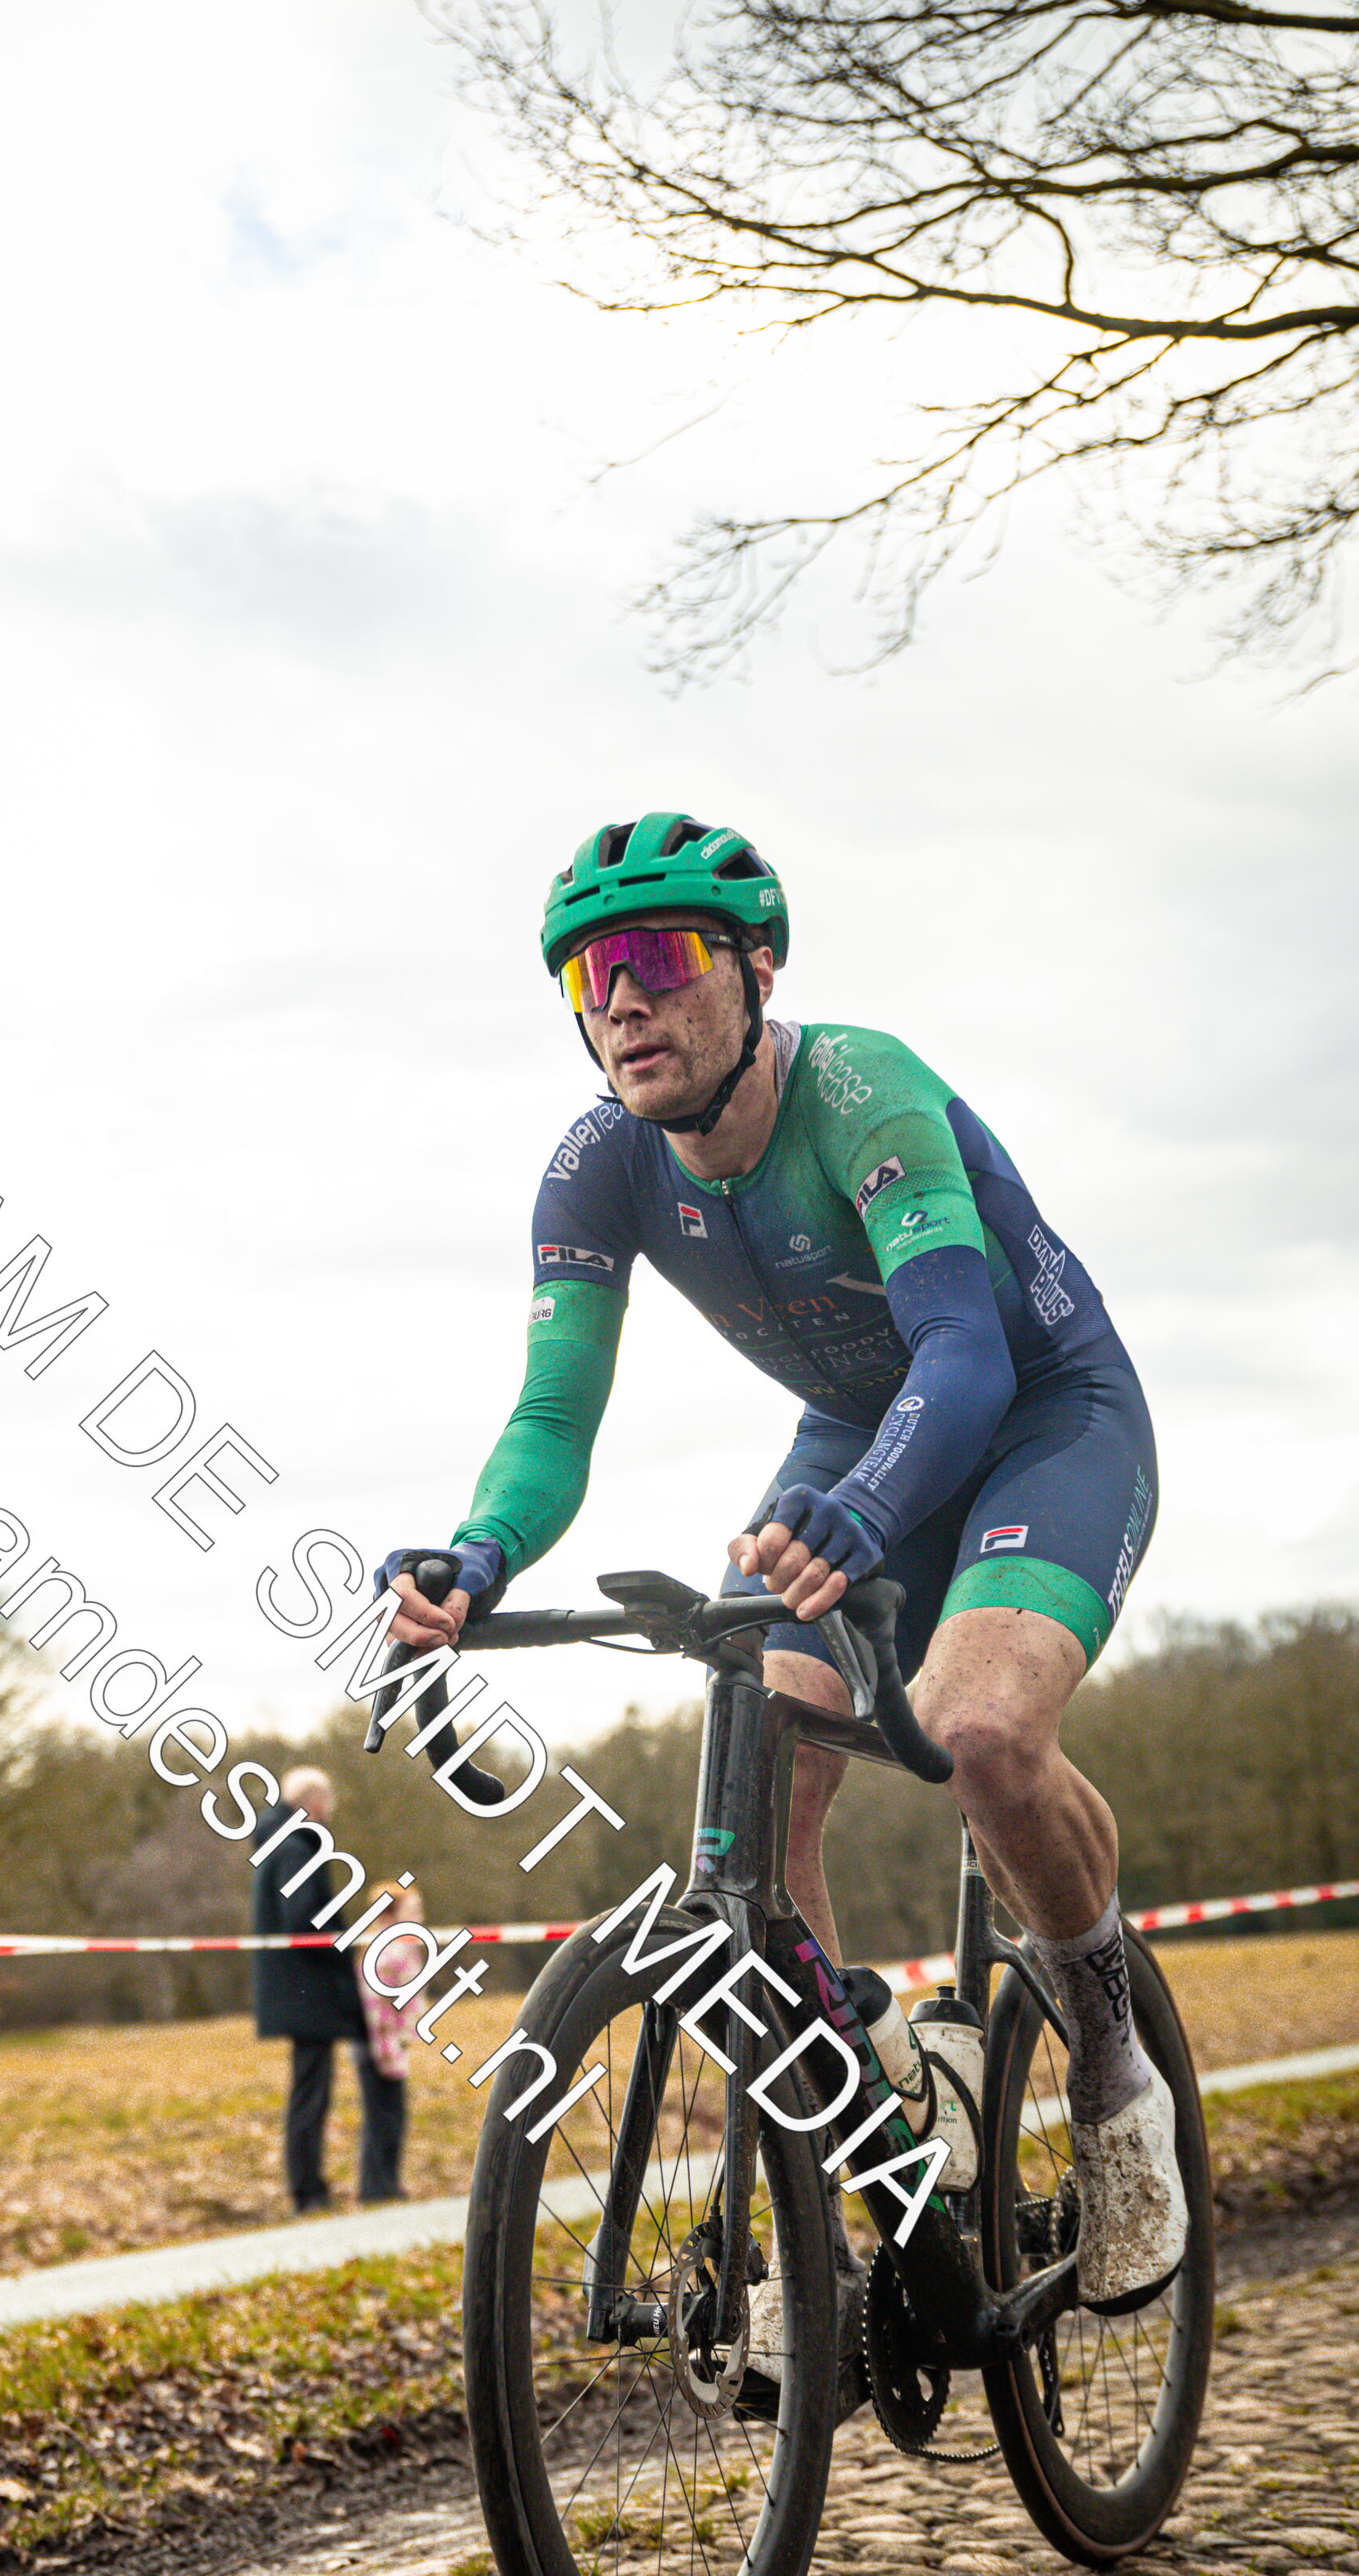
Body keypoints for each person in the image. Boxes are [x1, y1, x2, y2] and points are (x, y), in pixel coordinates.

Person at [378, 811, 1185, 2327]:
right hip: (857, 1436)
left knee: (977, 1733)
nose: (622, 997)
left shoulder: (863, 1091)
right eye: (589, 974)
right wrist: (476, 1556)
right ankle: (875, 2108)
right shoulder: (595, 1169)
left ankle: (1112, 2070)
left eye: (657, 955)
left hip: (1040, 1413)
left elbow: (960, 1352)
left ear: (755, 970)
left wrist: (864, 1511)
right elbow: (551, 1419)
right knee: (760, 1769)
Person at [248, 1767, 400, 2213]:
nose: (331, 1811)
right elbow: (304, 1920)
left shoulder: (282, 1844)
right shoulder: (296, 1849)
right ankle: (308, 2191)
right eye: (328, 1801)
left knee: (310, 2088)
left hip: (296, 1989)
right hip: (307, 1991)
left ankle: (311, 2186)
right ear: (313, 1801)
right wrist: (343, 1948)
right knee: (311, 2093)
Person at [352, 1882, 424, 2207]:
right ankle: (375, 2187)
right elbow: (377, 2007)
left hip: (390, 2044)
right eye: (413, 1911)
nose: (419, 1918)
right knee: (381, 2115)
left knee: (392, 2114)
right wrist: (386, 2049)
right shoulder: (388, 1952)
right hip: (378, 2045)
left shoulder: (402, 1948)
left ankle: (387, 2183)